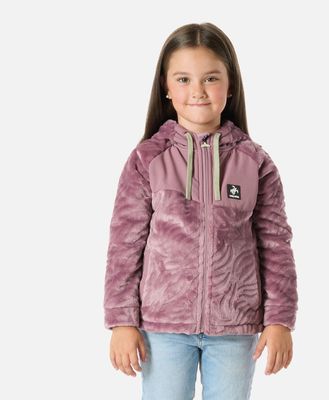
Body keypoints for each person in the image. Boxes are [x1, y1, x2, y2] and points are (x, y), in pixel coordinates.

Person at [103, 22, 298, 400]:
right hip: (163, 326)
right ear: (166, 87)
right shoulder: (147, 159)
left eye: (210, 78)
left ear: (230, 84)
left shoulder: (255, 162)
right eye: (183, 79)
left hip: (234, 326)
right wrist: (121, 320)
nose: (198, 91)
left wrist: (280, 319)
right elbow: (124, 245)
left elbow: (276, 245)